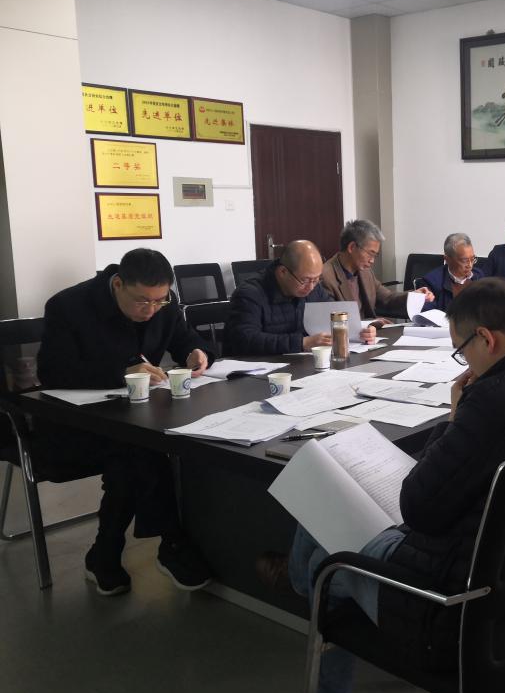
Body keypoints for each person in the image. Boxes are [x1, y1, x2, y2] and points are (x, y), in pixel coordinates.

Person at [281, 278, 505, 693]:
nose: (463, 361)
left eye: (462, 350)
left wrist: (456, 417)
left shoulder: (494, 403)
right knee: (324, 538)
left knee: (322, 557)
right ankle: (295, 579)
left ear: (486, 338)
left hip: (452, 608)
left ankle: (308, 629)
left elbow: (418, 511)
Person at [35, 248, 215, 596]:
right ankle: (172, 542)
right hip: (71, 425)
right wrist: (120, 372)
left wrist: (198, 352)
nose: (151, 310)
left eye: (159, 301)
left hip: (134, 419)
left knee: (136, 449)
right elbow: (53, 372)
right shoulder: (68, 306)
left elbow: (185, 340)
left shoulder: (163, 304)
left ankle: (105, 553)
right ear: (118, 284)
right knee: (139, 451)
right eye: (142, 301)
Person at [224, 240, 373, 355]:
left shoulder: (313, 288)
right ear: (283, 272)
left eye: (316, 279)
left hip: (299, 365)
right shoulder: (250, 294)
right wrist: (302, 343)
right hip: (257, 371)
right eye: (305, 280)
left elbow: (333, 316)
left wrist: (361, 331)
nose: (311, 287)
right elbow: (245, 339)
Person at [321, 219, 434, 322]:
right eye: (370, 253)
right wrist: (370, 324)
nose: (372, 261)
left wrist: (415, 296)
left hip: (369, 335)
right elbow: (332, 323)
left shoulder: (365, 272)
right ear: (352, 247)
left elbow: (387, 299)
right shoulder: (326, 277)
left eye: (375, 255)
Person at [421, 233, 485, 312]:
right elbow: (428, 314)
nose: (470, 265)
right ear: (447, 259)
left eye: (472, 259)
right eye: (464, 260)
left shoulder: (478, 276)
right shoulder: (432, 281)